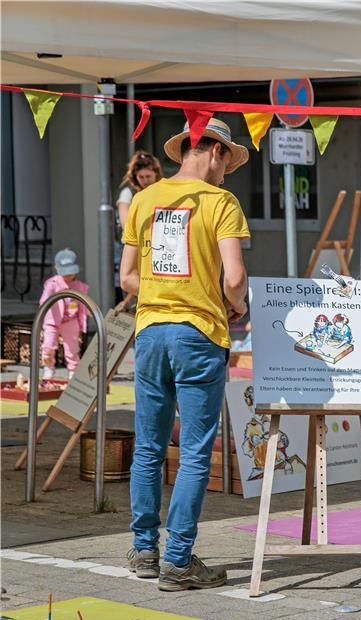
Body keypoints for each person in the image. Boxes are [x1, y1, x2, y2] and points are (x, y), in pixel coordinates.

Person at [120, 117, 250, 592]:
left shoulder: (143, 199)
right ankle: (177, 559)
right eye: (227, 162)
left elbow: (128, 277)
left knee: (149, 446)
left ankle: (145, 550)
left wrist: (165, 289)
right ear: (214, 151)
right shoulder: (220, 202)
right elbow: (234, 279)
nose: (227, 173)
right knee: (194, 451)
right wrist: (234, 305)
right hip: (198, 333)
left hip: (151, 330)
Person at [115, 152, 164, 301]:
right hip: (134, 245)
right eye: (141, 177)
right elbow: (126, 225)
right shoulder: (128, 193)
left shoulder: (162, 191)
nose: (145, 181)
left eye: (148, 177)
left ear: (156, 174)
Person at [38, 249, 89, 380]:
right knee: (48, 346)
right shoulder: (53, 284)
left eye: (71, 273)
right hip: (52, 320)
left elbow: (84, 303)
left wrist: (88, 313)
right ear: (56, 268)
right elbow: (44, 300)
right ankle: (48, 368)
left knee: (72, 348)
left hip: (70, 320)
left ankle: (73, 371)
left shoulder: (79, 286)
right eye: (65, 273)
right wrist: (47, 296)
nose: (68, 276)